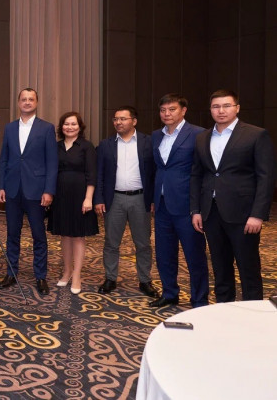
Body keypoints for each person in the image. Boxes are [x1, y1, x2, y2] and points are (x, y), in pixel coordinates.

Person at [190, 89, 275, 302]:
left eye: (226, 106)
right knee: (220, 267)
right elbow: (197, 176)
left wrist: (258, 214)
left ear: (237, 108)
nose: (221, 110)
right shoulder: (202, 138)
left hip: (243, 214)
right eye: (216, 106)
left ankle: (253, 311)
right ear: (210, 110)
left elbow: (266, 178)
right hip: (211, 212)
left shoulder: (256, 134)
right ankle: (224, 308)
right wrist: (196, 210)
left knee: (248, 267)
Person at [150, 94, 208, 308]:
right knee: (164, 253)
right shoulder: (156, 135)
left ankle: (199, 299)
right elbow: (157, 168)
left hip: (187, 205)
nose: (167, 114)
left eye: (172, 109)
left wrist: (198, 206)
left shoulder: (198, 134)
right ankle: (169, 293)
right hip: (162, 204)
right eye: (163, 110)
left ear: (183, 111)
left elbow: (203, 171)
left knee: (194, 255)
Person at [94, 106, 158, 298]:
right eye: (115, 119)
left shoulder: (149, 142)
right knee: (111, 242)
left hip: (141, 199)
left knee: (143, 243)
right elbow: (99, 174)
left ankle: (145, 280)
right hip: (114, 199)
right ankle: (110, 278)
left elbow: (155, 173)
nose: (118, 122)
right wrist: (99, 199)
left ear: (134, 121)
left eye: (123, 119)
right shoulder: (106, 145)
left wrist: (154, 199)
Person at [0, 88, 58, 295]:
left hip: (37, 190)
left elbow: (52, 162)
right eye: (23, 99)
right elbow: (4, 159)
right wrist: (1, 185)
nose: (27, 102)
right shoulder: (10, 127)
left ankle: (40, 276)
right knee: (12, 234)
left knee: (38, 235)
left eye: (31, 99)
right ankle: (11, 273)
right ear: (18, 103)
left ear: (37, 103)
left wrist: (49, 190)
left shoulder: (46, 128)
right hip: (13, 189)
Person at [47, 112, 98, 295]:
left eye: (73, 124)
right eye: (66, 124)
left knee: (78, 236)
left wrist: (88, 198)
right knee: (65, 235)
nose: (70, 127)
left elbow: (92, 174)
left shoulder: (86, 146)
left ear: (80, 126)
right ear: (61, 127)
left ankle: (77, 275)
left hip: (80, 196)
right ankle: (67, 271)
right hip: (60, 195)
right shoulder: (56, 146)